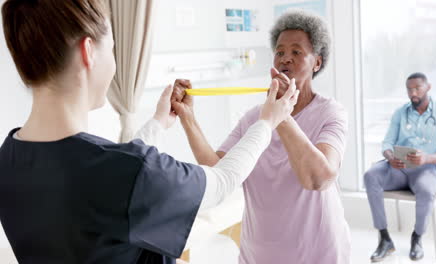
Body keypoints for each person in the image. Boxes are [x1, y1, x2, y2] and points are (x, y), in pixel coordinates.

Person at [0, 1, 299, 263]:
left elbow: (112, 176)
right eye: (113, 48)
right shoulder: (126, 172)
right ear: (88, 51)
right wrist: (268, 121)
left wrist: (158, 122)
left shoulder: (9, 157)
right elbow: (222, 182)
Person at [170, 10, 350, 264]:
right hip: (258, 255)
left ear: (317, 63)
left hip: (318, 254)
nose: (285, 59)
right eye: (279, 52)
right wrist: (187, 117)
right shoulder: (253, 118)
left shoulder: (330, 113)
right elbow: (217, 170)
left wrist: (281, 114)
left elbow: (318, 178)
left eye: (296, 52)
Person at [364, 72, 436, 262]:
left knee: (426, 189)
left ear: (428, 87)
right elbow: (387, 143)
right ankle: (384, 239)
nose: (413, 93)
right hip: (398, 168)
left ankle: (417, 238)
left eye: (417, 88)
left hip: (426, 169)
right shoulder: (400, 113)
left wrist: (427, 158)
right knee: (370, 175)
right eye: (409, 89)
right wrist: (389, 157)